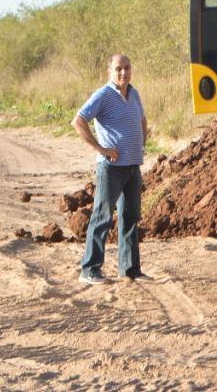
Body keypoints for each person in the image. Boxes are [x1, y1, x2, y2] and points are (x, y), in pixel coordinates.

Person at [72, 53, 150, 285]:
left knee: (130, 217)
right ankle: (90, 269)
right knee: (102, 216)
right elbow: (78, 120)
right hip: (111, 167)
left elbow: (142, 121)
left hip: (132, 167)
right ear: (110, 72)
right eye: (118, 69)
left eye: (127, 67)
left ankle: (130, 269)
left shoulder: (133, 93)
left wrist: (140, 145)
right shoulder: (104, 95)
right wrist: (101, 148)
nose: (123, 72)